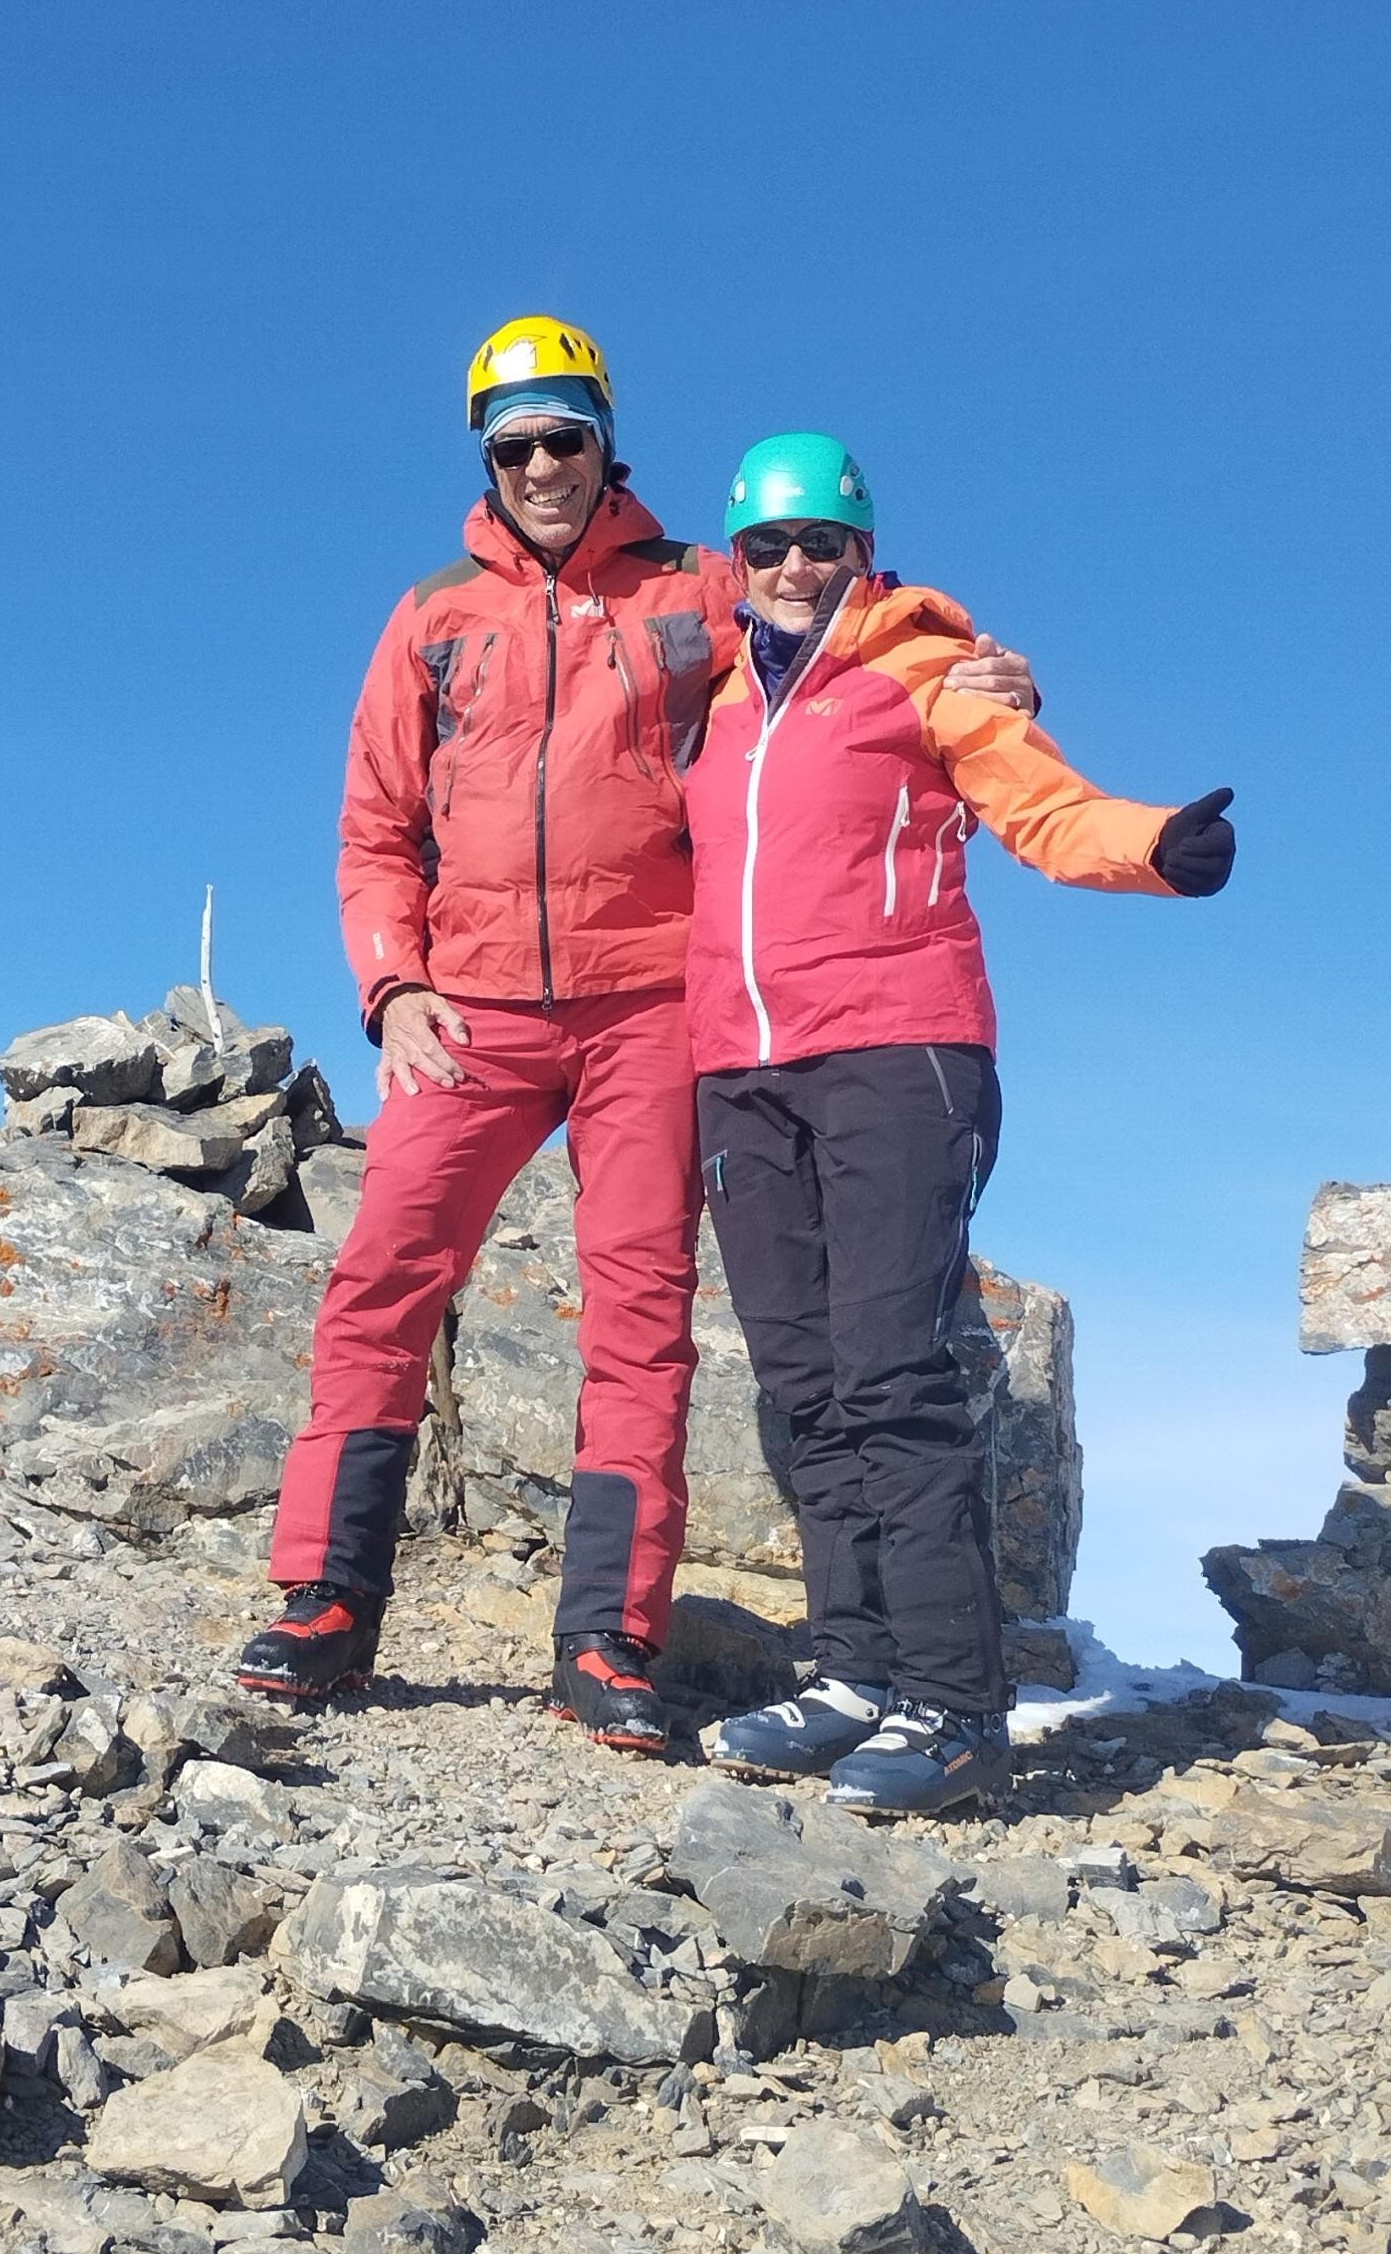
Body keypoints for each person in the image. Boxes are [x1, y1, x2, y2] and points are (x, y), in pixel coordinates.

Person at [236, 326, 1040, 1752]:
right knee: (382, 1278)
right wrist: (392, 984)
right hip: (469, 1008)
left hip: (654, 1004)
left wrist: (975, 675)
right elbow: (375, 825)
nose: (544, 465)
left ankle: (610, 1639)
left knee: (641, 1315)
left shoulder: (704, 585)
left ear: (609, 443)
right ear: (486, 461)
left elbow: (850, 605)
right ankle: (327, 1604)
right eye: (515, 445)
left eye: (567, 437)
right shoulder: (431, 614)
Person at [685, 431, 1235, 1815]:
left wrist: (1153, 843)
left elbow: (1039, 802)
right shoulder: (714, 699)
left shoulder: (928, 670)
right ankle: (855, 1672)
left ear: (866, 551)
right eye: (770, 544)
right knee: (802, 1382)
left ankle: (954, 1705)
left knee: (889, 1373)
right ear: (734, 560)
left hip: (898, 1050)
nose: (798, 565)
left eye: (825, 541)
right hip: (740, 1069)